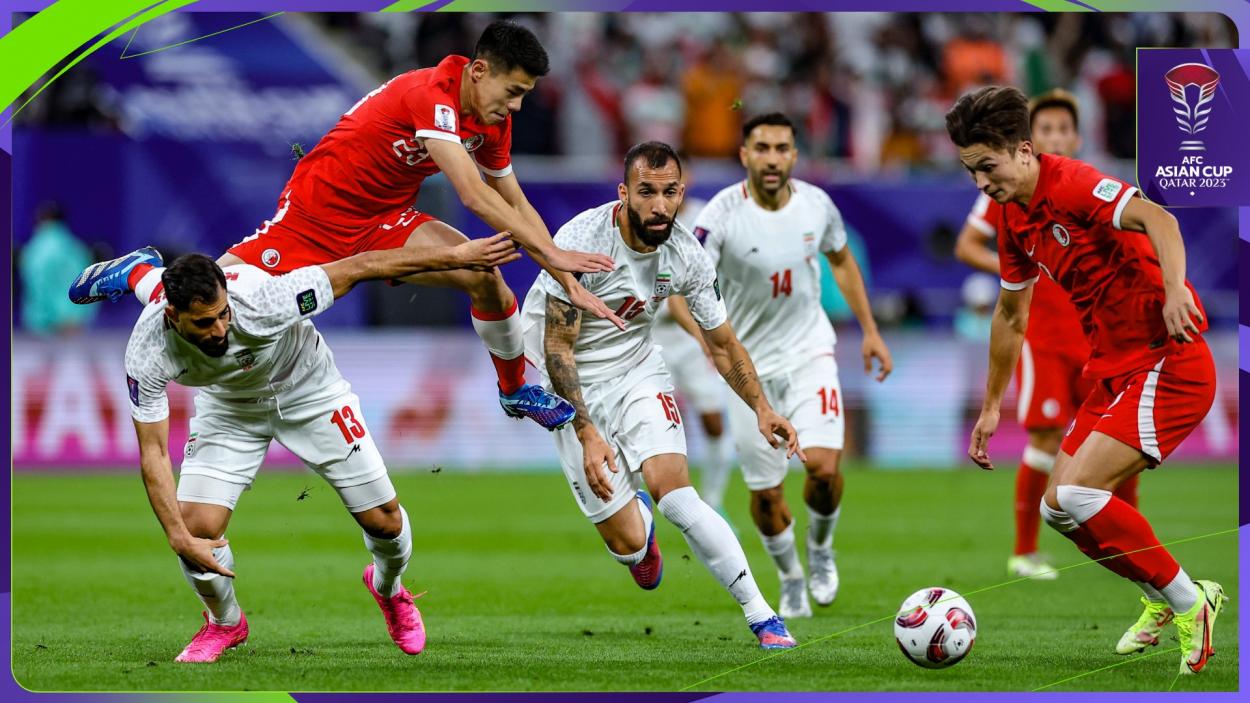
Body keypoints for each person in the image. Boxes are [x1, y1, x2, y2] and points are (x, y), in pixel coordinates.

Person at [69, 20, 621, 431]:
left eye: (525, 95)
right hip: (312, 221)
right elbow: (474, 197)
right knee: (213, 293)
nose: (518, 107)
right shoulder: (429, 93)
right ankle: (141, 271)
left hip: (386, 221)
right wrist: (556, 256)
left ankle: (515, 388)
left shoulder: (489, 119)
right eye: (514, 92)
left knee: (484, 275)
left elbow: (514, 199)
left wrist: (558, 266)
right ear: (479, 71)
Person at [121, 234, 520, 663]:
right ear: (173, 315)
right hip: (229, 408)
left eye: (222, 315)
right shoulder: (147, 352)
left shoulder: (266, 300)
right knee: (196, 527)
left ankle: (389, 589)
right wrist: (177, 537)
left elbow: (363, 266)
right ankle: (225, 623)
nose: (219, 330)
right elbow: (154, 453)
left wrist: (453, 255)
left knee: (384, 521)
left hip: (310, 391)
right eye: (203, 324)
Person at [948, 86, 1225, 675]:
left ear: (1023, 151)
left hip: (1166, 361)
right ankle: (1160, 596)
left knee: (1079, 495)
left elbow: (1159, 216)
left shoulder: (1072, 183)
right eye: (970, 171)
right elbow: (1010, 313)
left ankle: (1188, 601)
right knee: (1058, 507)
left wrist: (1176, 290)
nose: (980, 183)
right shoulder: (1010, 217)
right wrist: (992, 405)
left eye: (987, 167)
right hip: (1115, 370)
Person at [520, 142, 803, 649]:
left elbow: (723, 343)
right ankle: (639, 534)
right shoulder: (583, 239)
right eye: (646, 192)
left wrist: (761, 408)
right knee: (631, 550)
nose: (658, 205)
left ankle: (762, 615)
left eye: (669, 192)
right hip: (569, 381)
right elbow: (558, 345)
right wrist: (586, 433)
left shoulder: (688, 255)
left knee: (676, 493)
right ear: (624, 193)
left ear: (681, 193)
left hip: (637, 369)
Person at [677, 113, 892, 620]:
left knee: (822, 468)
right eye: (762, 148)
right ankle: (791, 577)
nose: (772, 158)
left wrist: (871, 330)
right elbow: (680, 290)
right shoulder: (720, 218)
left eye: (781, 148)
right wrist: (706, 340)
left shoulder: (818, 206)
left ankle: (820, 548)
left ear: (794, 155)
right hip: (746, 371)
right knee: (768, 495)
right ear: (744, 155)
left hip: (808, 352)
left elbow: (841, 261)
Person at [953, 89, 1139, 581]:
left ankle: (1131, 548)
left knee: (1120, 445)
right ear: (1029, 141)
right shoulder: (1006, 192)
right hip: (1045, 335)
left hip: (1100, 340)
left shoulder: (1086, 188)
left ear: (1076, 137)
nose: (1056, 135)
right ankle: (1023, 550)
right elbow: (967, 245)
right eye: (1047, 128)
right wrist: (1020, 272)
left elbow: (1149, 226)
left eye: (1063, 129)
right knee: (1044, 437)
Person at [651, 188, 734, 523]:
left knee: (713, 420)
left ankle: (714, 500)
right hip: (650, 335)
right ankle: (644, 504)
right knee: (650, 423)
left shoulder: (705, 218)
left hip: (692, 336)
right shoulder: (644, 214)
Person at [20, 202, 96, 335]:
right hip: (74, 325)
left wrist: (51, 317)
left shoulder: (36, 250)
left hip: (47, 325)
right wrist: (77, 317)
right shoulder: (77, 249)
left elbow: (37, 284)